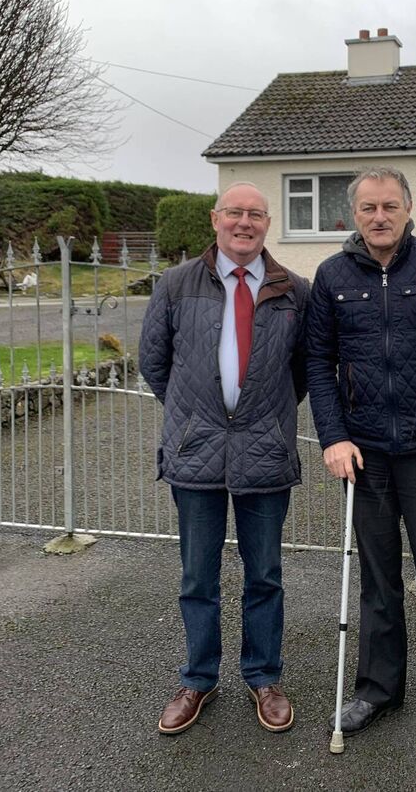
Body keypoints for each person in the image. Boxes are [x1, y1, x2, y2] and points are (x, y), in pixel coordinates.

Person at [305, 166, 416, 735]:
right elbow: (318, 362)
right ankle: (379, 689)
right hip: (364, 456)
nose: (378, 217)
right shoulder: (332, 274)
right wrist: (333, 436)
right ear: (353, 215)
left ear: (408, 208)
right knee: (378, 577)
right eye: (368, 209)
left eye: (389, 206)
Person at [139, 181, 309, 735]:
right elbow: (154, 362)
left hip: (264, 449)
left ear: (267, 224)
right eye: (235, 212)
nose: (245, 222)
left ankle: (264, 676)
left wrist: (260, 414)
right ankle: (198, 679)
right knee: (197, 575)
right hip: (196, 452)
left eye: (255, 214)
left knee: (265, 574)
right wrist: (195, 416)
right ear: (215, 220)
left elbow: (302, 373)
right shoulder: (175, 285)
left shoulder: (293, 291)